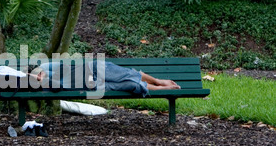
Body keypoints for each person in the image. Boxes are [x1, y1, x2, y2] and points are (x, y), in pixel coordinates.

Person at [28, 60, 180, 97]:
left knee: (126, 74)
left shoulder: (48, 67)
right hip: (93, 87)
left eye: (39, 73)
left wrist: (41, 73)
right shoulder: (47, 85)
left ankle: (158, 81)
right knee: (130, 85)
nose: (39, 76)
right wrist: (42, 80)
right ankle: (160, 88)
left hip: (95, 69)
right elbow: (59, 87)